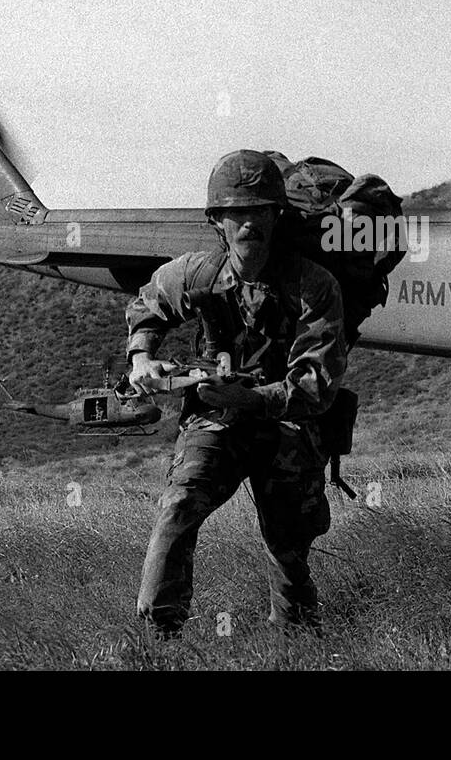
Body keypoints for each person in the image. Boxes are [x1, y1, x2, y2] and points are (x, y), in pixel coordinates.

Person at [125, 149, 348, 636]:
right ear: (217, 223)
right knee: (179, 507)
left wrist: (250, 398)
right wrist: (143, 357)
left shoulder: (314, 287)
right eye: (237, 214)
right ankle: (157, 638)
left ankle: (297, 641)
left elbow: (315, 386)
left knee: (286, 549)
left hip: (288, 426)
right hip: (217, 421)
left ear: (277, 217)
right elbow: (147, 304)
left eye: (261, 213)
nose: (250, 225)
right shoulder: (200, 275)